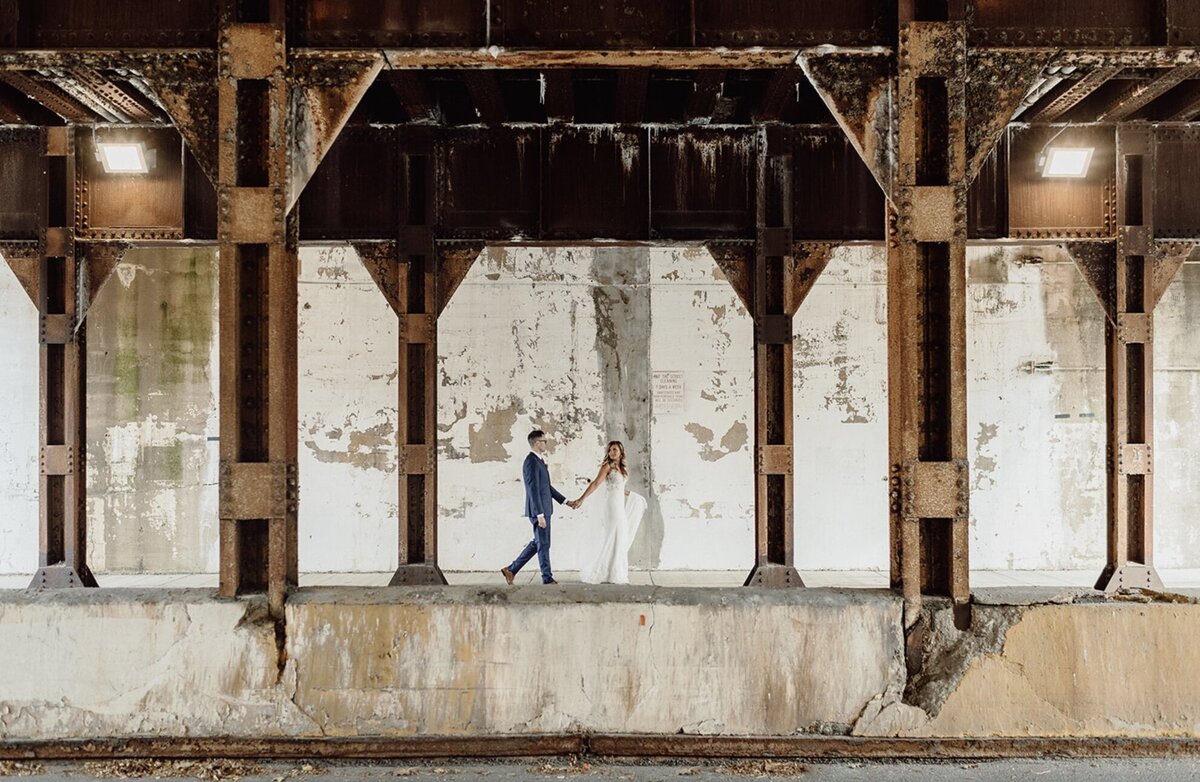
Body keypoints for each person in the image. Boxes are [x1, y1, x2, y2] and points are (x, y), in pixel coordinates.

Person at [573, 440, 647, 585]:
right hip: (612, 507)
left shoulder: (622, 468)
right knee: (614, 535)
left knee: (620, 536)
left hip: (619, 505)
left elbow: (618, 488)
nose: (613, 452)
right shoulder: (607, 466)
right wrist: (581, 499)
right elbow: (595, 484)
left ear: (621, 452)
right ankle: (602, 571)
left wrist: (632, 496)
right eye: (611, 450)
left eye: (615, 450)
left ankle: (614, 572)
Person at [501, 429, 570, 585]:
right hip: (539, 511)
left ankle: (511, 569)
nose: (546, 443)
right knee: (544, 544)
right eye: (544, 440)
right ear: (537, 443)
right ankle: (547, 578)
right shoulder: (531, 461)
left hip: (545, 509)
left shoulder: (539, 460)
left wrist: (565, 501)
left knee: (538, 543)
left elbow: (546, 487)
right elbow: (532, 488)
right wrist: (539, 514)